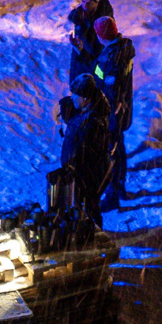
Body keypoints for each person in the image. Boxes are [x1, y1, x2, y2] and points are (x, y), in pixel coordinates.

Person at [90, 14, 136, 211]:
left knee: (111, 152)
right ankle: (120, 186)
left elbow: (111, 88)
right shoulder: (120, 49)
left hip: (111, 113)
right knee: (119, 148)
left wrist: (106, 110)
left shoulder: (113, 59)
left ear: (102, 36)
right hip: (119, 110)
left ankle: (112, 194)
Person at [56, 89, 112, 224]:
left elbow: (89, 148)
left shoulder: (94, 121)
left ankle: (95, 235)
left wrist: (78, 168)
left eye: (77, 96)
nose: (74, 99)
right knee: (79, 205)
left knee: (89, 205)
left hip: (90, 172)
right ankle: (86, 232)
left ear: (86, 98)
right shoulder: (85, 113)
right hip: (79, 169)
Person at [65, 0, 107, 91]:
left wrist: (82, 32)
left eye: (89, 3)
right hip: (80, 61)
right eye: (83, 1)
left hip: (91, 70)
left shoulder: (103, 24)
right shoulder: (83, 14)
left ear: (97, 2)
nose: (85, 6)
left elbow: (95, 54)